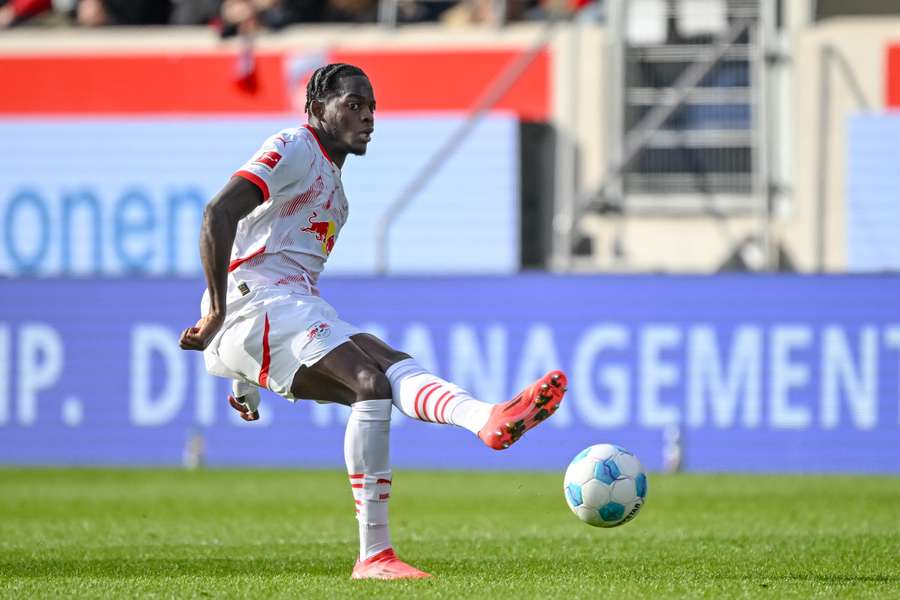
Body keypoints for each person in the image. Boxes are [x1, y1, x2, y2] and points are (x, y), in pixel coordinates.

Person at [179, 63, 567, 580]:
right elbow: (217, 215)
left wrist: (244, 379)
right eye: (353, 105)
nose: (367, 118)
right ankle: (375, 556)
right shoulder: (294, 145)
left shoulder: (337, 198)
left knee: (387, 365)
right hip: (255, 305)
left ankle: (486, 420)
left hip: (285, 308)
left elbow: (267, 259)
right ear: (317, 109)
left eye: (372, 108)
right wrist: (219, 313)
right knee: (368, 382)